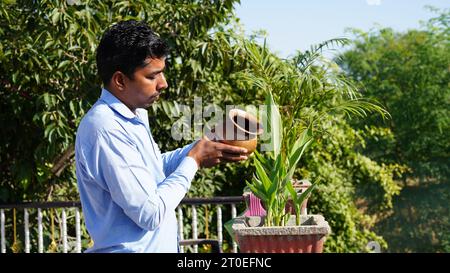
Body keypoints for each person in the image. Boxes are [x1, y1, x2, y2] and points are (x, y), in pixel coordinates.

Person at [74, 20, 248, 253]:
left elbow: (151, 171)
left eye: (162, 73)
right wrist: (194, 160)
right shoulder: (106, 128)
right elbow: (149, 213)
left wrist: (200, 147)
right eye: (152, 76)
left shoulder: (132, 118)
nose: (163, 84)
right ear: (120, 81)